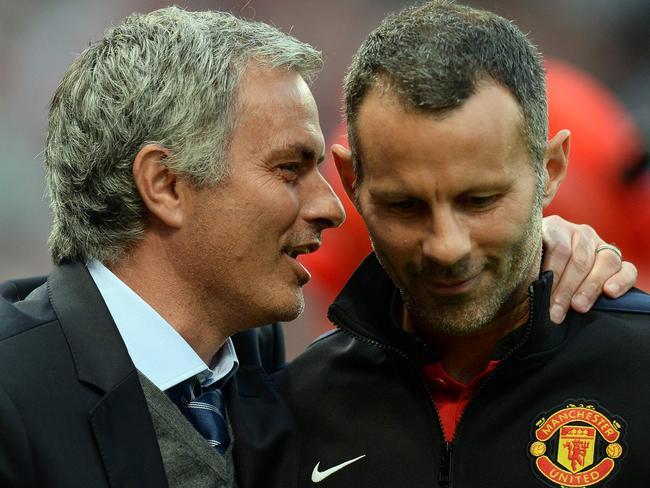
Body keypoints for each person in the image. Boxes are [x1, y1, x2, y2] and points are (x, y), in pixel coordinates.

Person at [0, 5, 637, 488]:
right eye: (289, 168)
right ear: (166, 184)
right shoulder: (16, 384)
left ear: (547, 173)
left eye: (481, 199)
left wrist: (531, 243)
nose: (332, 205)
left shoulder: (252, 371)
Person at [272, 2, 650, 487]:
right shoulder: (291, 411)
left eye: (480, 200)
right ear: (350, 182)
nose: (446, 248)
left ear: (551, 170)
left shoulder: (639, 371)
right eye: (405, 206)